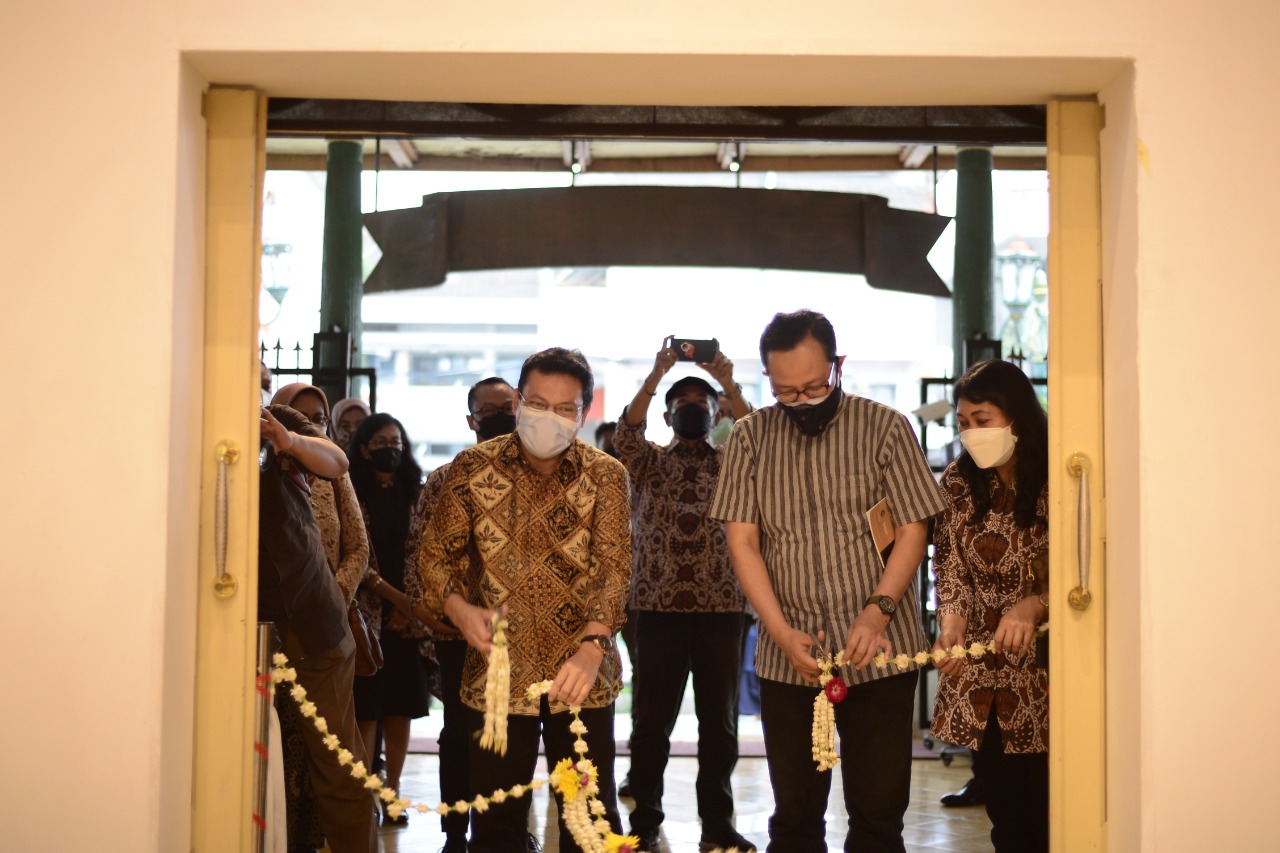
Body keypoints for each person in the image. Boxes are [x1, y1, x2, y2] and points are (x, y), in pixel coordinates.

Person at [709, 309, 946, 853]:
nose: (802, 402)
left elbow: (913, 526)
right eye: (786, 392)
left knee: (879, 814)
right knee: (793, 816)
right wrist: (778, 630)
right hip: (790, 657)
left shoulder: (885, 426)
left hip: (881, 650)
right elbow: (743, 542)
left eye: (815, 387)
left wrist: (879, 608)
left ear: (838, 366)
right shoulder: (749, 438)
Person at [418, 347, 632, 853]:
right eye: (539, 403)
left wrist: (594, 644)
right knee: (494, 828)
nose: (550, 418)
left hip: (582, 678)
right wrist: (457, 608)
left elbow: (615, 567)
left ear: (583, 414)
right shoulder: (469, 469)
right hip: (494, 679)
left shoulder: (606, 476)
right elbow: (432, 559)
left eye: (565, 409)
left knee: (590, 822)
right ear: (517, 401)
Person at [615, 346, 756, 853]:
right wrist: (658, 372)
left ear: (716, 413)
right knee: (651, 724)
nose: (694, 407)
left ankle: (717, 825)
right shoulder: (648, 463)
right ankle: (646, 822)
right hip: (655, 610)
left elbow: (763, 435)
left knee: (719, 726)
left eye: (704, 401)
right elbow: (625, 433)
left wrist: (728, 383)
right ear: (668, 413)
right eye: (684, 401)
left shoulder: (737, 463)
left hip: (722, 610)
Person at [929, 359, 1049, 853]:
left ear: (1016, 416)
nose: (972, 433)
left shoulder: (1057, 475)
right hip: (985, 670)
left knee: (1047, 805)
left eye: (983, 420)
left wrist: (1035, 605)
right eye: (963, 423)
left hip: (1045, 671)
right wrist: (951, 621)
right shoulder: (958, 482)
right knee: (1004, 810)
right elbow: (950, 566)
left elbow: (1086, 567)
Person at [402, 375, 517, 853]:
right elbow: (421, 551)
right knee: (460, 735)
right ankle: (454, 831)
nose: (499, 417)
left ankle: (505, 830)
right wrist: (435, 617)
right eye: (488, 411)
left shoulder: (536, 472)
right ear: (471, 421)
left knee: (510, 732)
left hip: (520, 630)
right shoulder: (447, 477)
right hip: (458, 630)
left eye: (507, 407)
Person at [258, 404, 377, 853]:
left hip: (310, 618)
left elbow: (337, 461)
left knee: (338, 764)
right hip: (226, 625)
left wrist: (287, 441)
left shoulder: (277, 420)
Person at [347, 412, 432, 826]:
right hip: (368, 619)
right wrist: (397, 600)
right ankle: (367, 797)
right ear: (364, 449)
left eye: (396, 442)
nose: (390, 449)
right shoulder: (352, 493)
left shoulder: (417, 494)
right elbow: (356, 557)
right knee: (367, 712)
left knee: (399, 710)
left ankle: (393, 793)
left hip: (408, 624)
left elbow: (428, 554)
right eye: (381, 443)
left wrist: (408, 606)